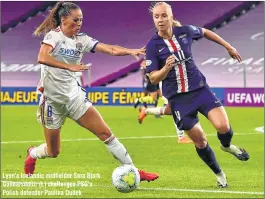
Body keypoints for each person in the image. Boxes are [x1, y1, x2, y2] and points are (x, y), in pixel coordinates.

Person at [24, 2, 159, 182]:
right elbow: (42, 57)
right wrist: (68, 66)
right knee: (53, 151)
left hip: (75, 99)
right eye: (75, 19)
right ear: (63, 19)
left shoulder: (82, 39)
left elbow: (109, 48)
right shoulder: (53, 37)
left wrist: (130, 51)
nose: (79, 23)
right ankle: (32, 154)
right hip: (52, 103)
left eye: (81, 20)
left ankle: (133, 170)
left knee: (106, 134)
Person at [146, 2, 249, 188]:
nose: (160, 20)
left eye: (163, 15)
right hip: (179, 100)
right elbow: (153, 78)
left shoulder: (184, 31)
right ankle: (220, 175)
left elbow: (206, 32)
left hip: (200, 89)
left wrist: (228, 46)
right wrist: (166, 68)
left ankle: (226, 146)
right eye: (156, 17)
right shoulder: (152, 46)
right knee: (201, 142)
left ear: (170, 16)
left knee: (223, 126)